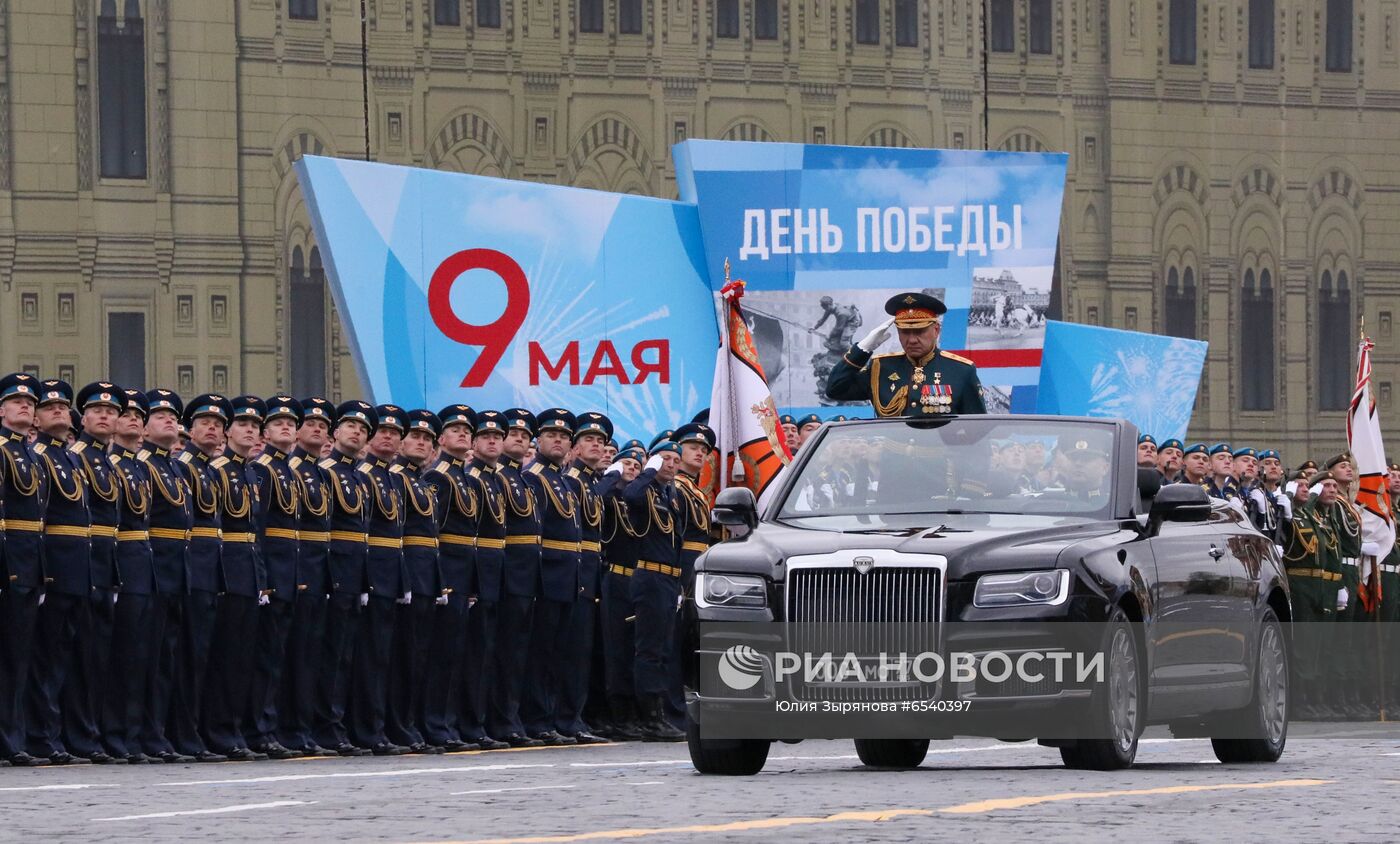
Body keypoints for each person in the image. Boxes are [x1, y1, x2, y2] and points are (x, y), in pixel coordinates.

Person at [25, 380, 92, 765]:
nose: (58, 412)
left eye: (63, 407)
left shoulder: (70, 458)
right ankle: (40, 735)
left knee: (62, 657)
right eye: (48, 407)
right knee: (44, 656)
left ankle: (53, 734)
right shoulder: (38, 456)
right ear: (36, 417)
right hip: (51, 568)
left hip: (76, 569)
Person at [201, 396, 266, 762]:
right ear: (229, 432)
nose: (250, 431)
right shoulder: (217, 470)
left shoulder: (250, 472)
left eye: (255, 427)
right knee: (224, 657)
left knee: (241, 658)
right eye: (243, 425)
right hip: (226, 569)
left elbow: (257, 529)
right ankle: (218, 730)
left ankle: (232, 728)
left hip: (247, 570)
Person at [169, 393, 232, 763]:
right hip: (192, 571)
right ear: (189, 430)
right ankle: (183, 732)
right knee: (188, 657)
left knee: (203, 657)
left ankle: (195, 730)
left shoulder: (210, 469)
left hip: (211, 572)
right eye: (205, 423)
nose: (212, 428)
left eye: (218, 424)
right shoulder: (182, 467)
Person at [64, 383, 125, 764]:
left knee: (100, 657)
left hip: (108, 563)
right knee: (80, 655)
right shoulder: (76, 457)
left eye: (111, 412)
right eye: (97, 411)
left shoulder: (108, 460)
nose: (104, 416)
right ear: (83, 418)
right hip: (83, 562)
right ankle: (77, 735)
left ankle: (91, 732)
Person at [313, 401, 375, 757]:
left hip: (354, 574)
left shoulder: (359, 476)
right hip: (333, 572)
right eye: (350, 426)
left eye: (362, 429)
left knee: (345, 656)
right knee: (329, 653)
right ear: (335, 434)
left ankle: (336, 724)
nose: (356, 432)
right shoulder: (324, 471)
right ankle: (325, 725)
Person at [245, 396, 304, 760]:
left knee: (278, 657)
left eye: (289, 423)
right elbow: (260, 528)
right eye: (277, 422)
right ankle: (260, 728)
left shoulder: (288, 469)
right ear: (265, 433)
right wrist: (264, 577)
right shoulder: (263, 469)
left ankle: (271, 726)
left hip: (290, 572)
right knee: (265, 657)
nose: (285, 427)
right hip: (273, 574)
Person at [139, 389, 196, 764]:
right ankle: (141, 732)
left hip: (178, 570)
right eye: (160, 416)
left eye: (173, 416)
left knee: (166, 659)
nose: (170, 421)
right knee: (144, 657)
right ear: (143, 425)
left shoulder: (174, 466)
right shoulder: (141, 463)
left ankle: (158, 731)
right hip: (152, 568)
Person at [279, 396, 338, 757]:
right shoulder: (288, 470)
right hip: (294, 573)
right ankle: (290, 728)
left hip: (318, 573)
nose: (317, 428)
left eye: (322, 425)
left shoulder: (317, 471)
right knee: (293, 656)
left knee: (313, 656)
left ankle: (304, 727)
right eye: (310, 424)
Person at [520, 409, 583, 746]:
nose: (558, 441)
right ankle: (537, 718)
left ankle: (554, 716)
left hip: (567, 576)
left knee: (560, 653)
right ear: (538, 441)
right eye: (551, 436)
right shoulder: (534, 477)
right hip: (547, 576)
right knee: (541, 653)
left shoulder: (562, 478)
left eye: (563, 437)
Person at [350, 404, 410, 756]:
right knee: (369, 658)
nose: (388, 436)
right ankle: (366, 729)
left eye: (394, 433)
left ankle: (379, 726)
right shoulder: (361, 474)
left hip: (391, 574)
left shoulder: (392, 477)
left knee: (385, 658)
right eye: (382, 431)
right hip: (370, 575)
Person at [386, 408, 446, 754]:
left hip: (426, 576)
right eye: (415, 437)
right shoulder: (394, 478)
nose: (421, 443)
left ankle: (411, 722)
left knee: (419, 657)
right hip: (404, 574)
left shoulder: (419, 482)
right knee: (401, 657)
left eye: (427, 439)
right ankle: (398, 724)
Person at [421, 404, 479, 752]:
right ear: (440, 440)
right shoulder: (438, 477)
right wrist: (442, 580)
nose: (461, 434)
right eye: (454, 430)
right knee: (441, 654)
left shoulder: (462, 477)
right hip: (448, 574)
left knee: (456, 654)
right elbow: (435, 532)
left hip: (463, 572)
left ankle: (447, 721)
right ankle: (435, 723)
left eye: (465, 431)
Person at [825, 291, 985, 416]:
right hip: (893, 457)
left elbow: (976, 428)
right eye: (905, 332)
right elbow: (835, 388)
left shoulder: (960, 370)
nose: (912, 340)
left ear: (936, 330)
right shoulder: (881, 368)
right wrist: (862, 349)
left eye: (919, 331)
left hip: (941, 456)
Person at [0, 374, 50, 766]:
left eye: (29, 403)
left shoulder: (32, 456)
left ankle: (13, 738)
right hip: (10, 563)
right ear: (1, 410)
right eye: (16, 402)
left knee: (19, 657)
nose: (25, 408)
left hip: (31, 562)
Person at [622, 439, 686, 742]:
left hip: (667, 580)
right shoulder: (645, 488)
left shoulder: (670, 495)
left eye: (675, 459)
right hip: (648, 575)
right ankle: (649, 716)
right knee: (649, 650)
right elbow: (629, 494)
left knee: (662, 649)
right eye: (665, 458)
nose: (670, 464)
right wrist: (648, 471)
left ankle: (660, 713)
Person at [558, 411, 612, 745]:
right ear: (575, 449)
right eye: (589, 440)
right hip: (574, 572)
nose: (596, 445)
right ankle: (565, 717)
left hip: (591, 573)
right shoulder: (571, 481)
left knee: (582, 652)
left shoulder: (591, 482)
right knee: (569, 651)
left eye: (600, 441)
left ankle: (575, 717)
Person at [457, 410, 509, 751]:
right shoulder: (466, 477)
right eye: (485, 437)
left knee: (489, 654)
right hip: (468, 574)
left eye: (496, 437)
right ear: (474, 444)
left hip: (495, 572)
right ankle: (466, 722)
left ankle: (479, 721)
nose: (492, 441)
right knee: (470, 655)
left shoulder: (493, 479)